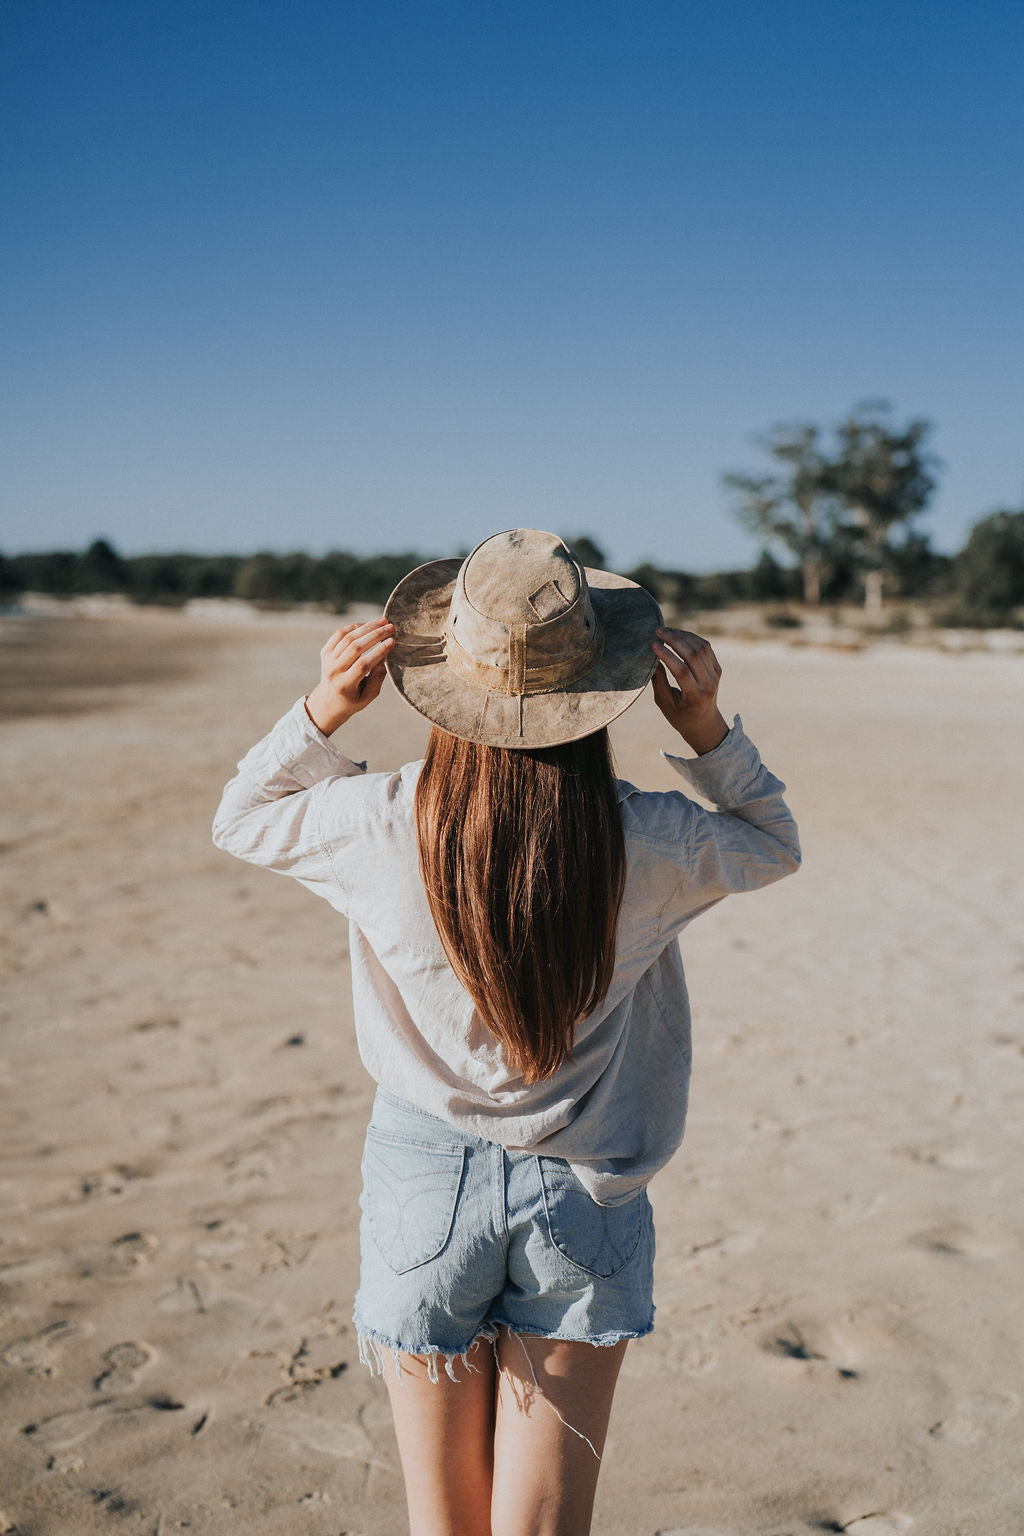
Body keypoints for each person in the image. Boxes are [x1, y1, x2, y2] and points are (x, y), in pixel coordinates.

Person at [212, 528, 800, 1536]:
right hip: (587, 1183)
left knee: (443, 1521)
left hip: (422, 1183)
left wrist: (322, 710)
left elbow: (240, 817)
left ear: (441, 680)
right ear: (601, 691)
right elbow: (770, 842)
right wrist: (704, 726)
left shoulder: (374, 820)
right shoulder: (649, 837)